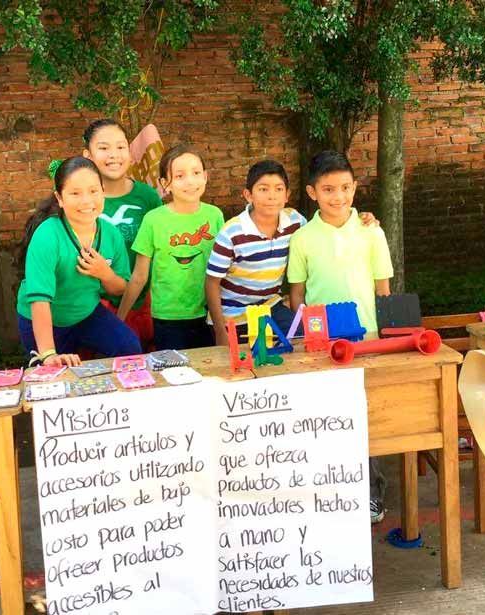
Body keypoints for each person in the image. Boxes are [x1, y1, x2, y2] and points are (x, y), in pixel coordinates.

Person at [286, 150, 394, 523]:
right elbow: (297, 294)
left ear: (355, 188)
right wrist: (301, 338)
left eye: (346, 188)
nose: (339, 196)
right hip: (321, 343)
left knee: (366, 417)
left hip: (367, 339)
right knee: (325, 417)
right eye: (329, 189)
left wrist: (387, 336)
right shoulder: (302, 238)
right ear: (312, 193)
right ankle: (329, 492)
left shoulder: (371, 230)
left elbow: (383, 289)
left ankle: (372, 492)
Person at [206, 159, 381, 345]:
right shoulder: (231, 233)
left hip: (270, 306)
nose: (272, 196)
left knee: (301, 341)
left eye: (279, 189)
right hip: (232, 315)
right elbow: (211, 282)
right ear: (248, 195)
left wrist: (362, 218)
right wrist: (220, 330)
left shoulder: (295, 222)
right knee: (244, 363)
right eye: (263, 189)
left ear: (287, 195)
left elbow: (323, 227)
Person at [16, 156, 141, 366]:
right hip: (44, 320)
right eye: (75, 193)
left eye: (93, 191)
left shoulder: (110, 234)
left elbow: (121, 288)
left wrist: (104, 273)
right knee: (53, 381)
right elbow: (39, 300)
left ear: (103, 191)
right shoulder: (47, 235)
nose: (86, 201)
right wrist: (48, 354)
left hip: (86, 314)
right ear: (60, 198)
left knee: (129, 349)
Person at [117, 145, 225, 350]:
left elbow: (224, 268)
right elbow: (139, 276)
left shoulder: (215, 216)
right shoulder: (153, 220)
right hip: (167, 318)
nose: (190, 181)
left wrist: (221, 323)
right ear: (165, 184)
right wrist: (120, 319)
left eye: (196, 173)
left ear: (205, 177)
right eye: (180, 176)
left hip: (209, 314)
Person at [82, 119, 163, 346]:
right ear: (88, 155)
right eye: (104, 148)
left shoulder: (147, 197)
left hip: (144, 304)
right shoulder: (81, 200)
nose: (114, 155)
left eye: (120, 147)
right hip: (94, 306)